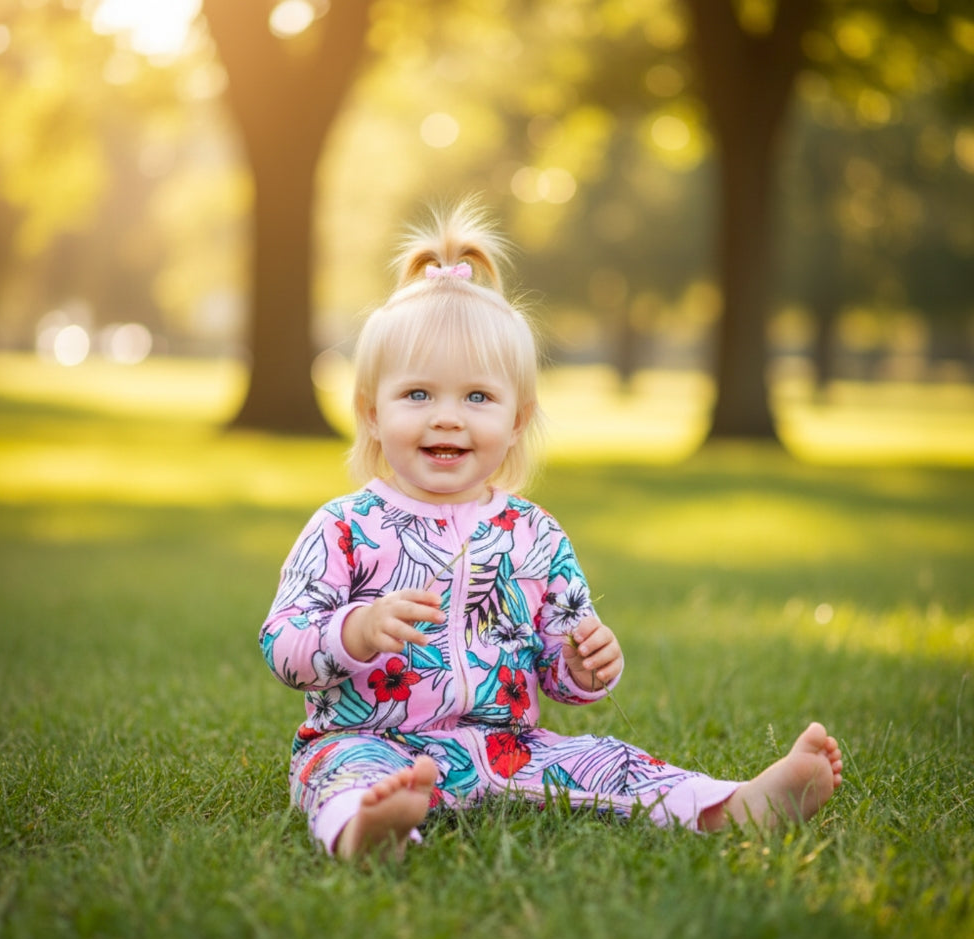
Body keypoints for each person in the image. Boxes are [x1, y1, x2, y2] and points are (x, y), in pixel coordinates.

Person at [259, 200, 842, 860]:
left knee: (607, 760)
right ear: (370, 412)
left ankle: (733, 804)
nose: (447, 418)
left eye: (477, 397)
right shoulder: (344, 527)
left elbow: (559, 657)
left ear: (516, 418)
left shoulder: (532, 534)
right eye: (418, 395)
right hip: (371, 739)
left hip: (508, 749)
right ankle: (371, 827)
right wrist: (353, 630)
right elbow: (282, 642)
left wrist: (583, 665)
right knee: (340, 773)